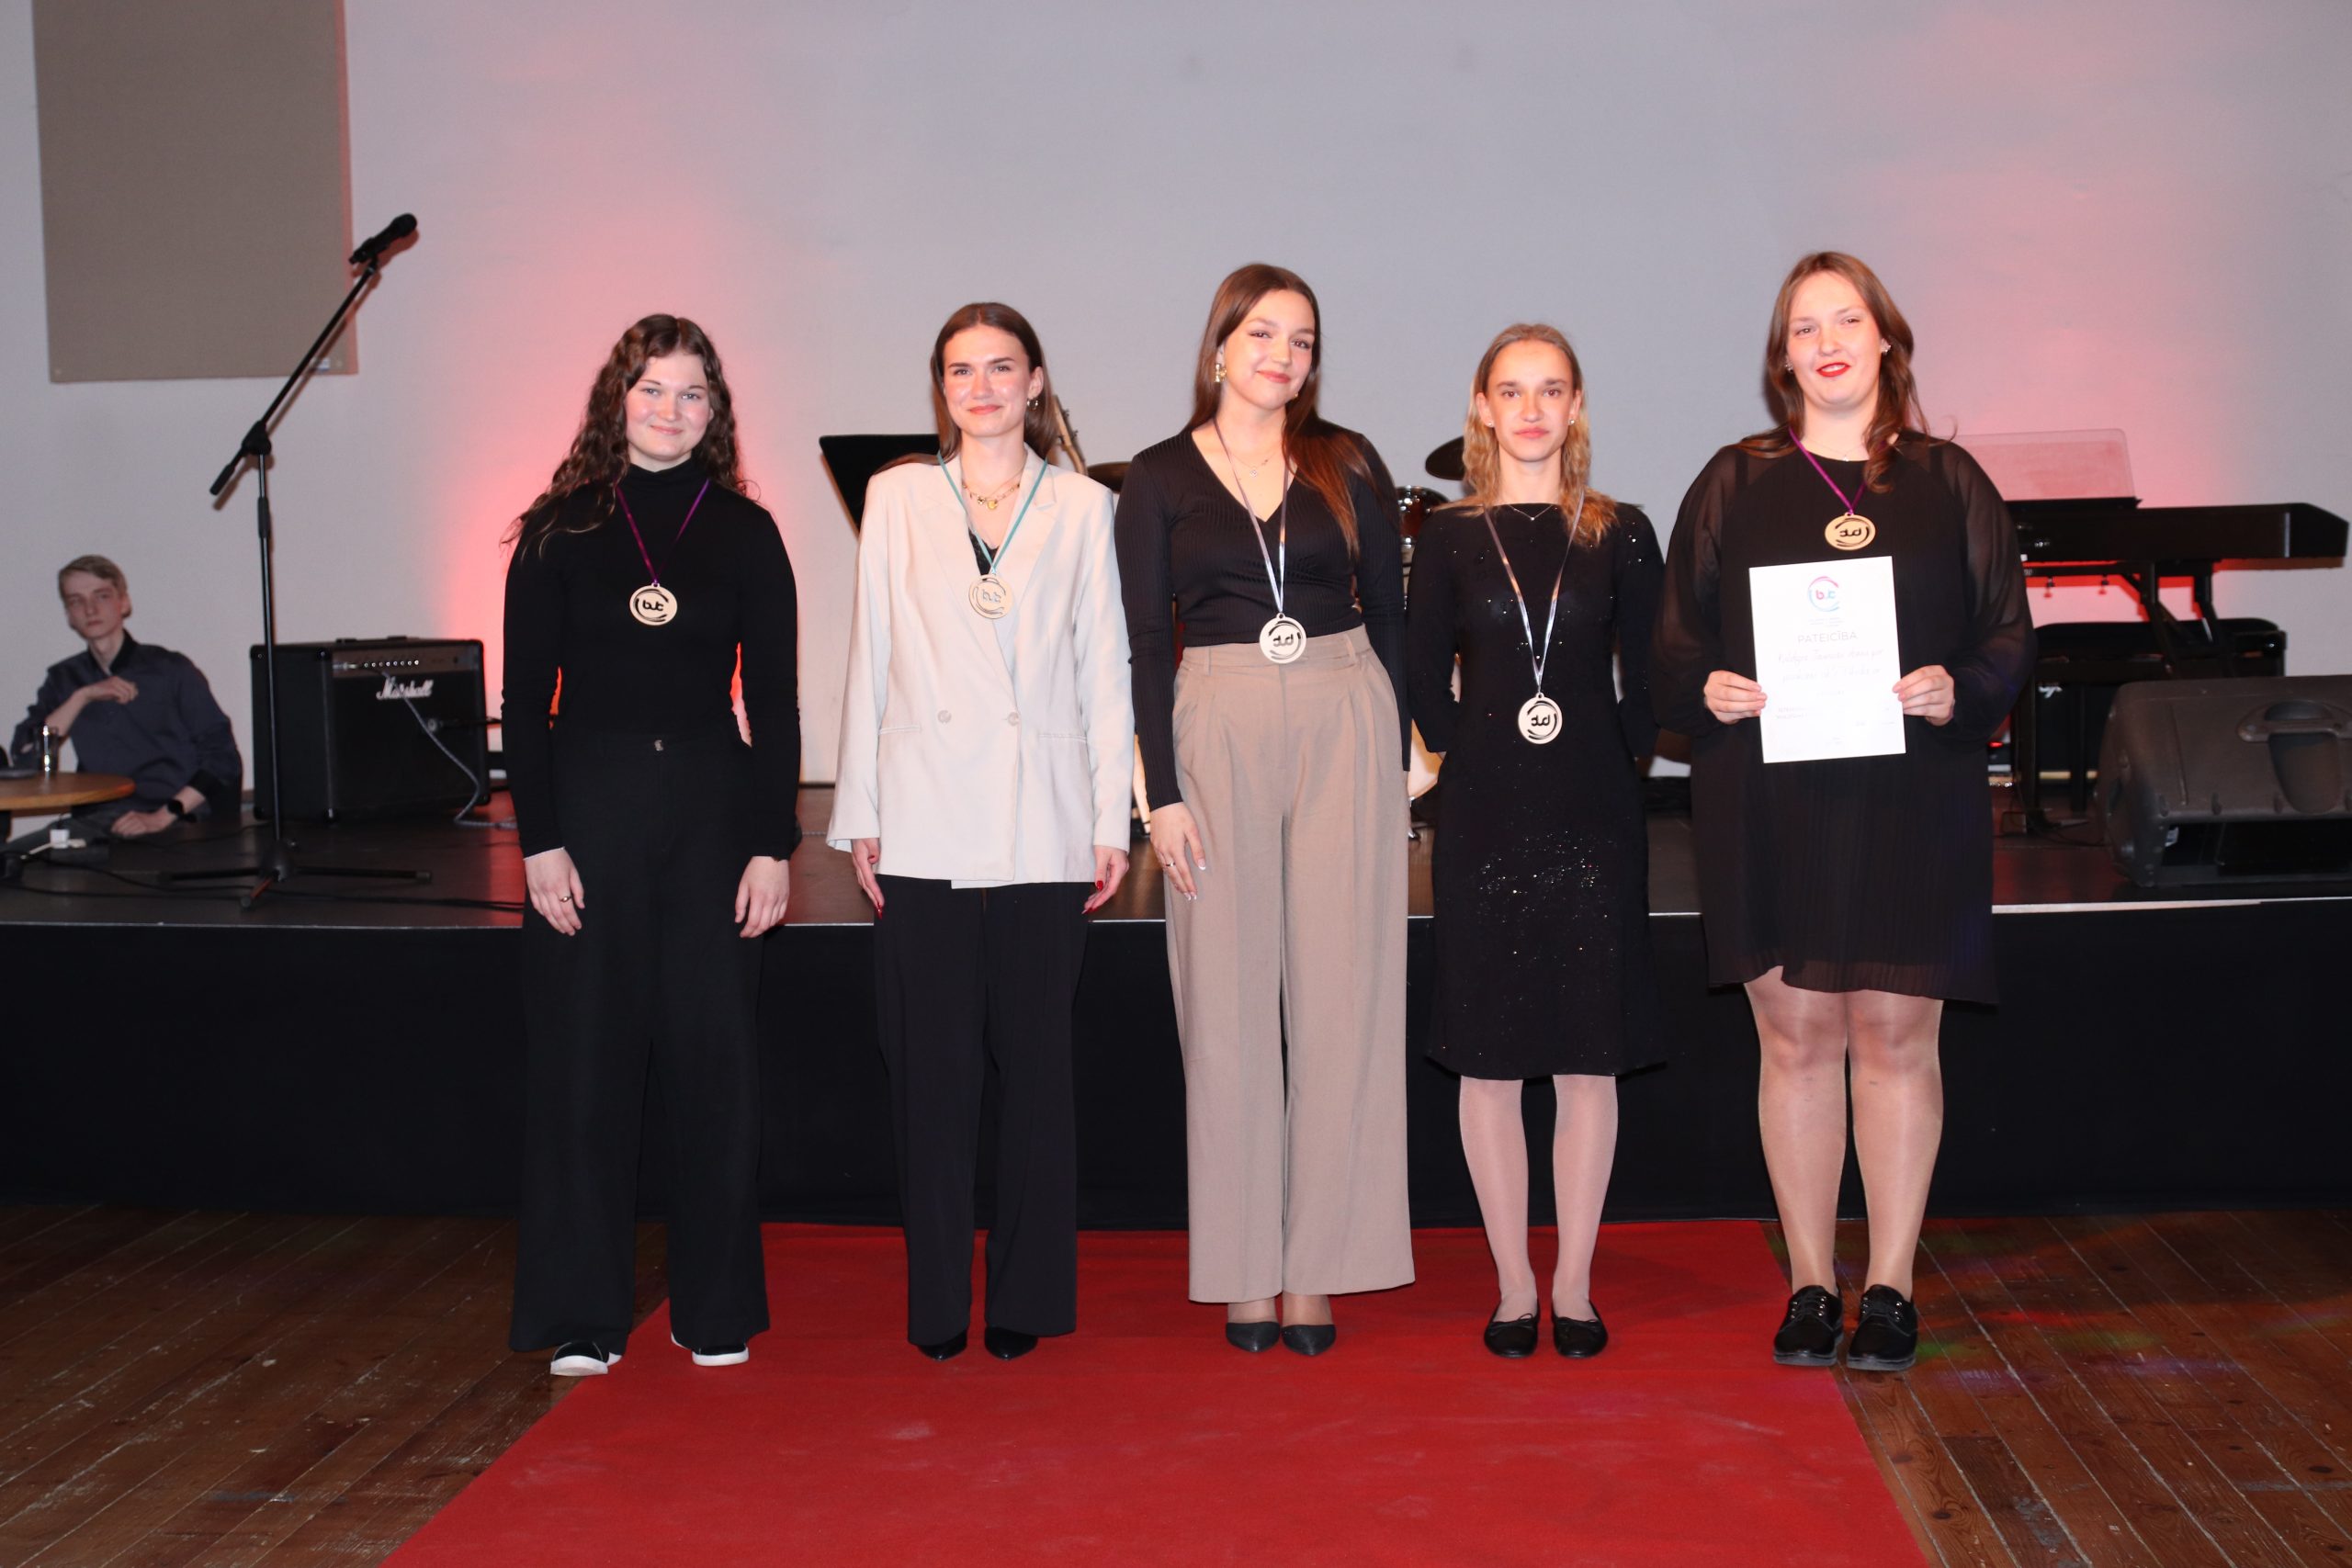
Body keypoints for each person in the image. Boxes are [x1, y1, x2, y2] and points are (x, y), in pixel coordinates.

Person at [1650, 254, 2034, 1372]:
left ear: (1884, 341)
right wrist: (1706, 689)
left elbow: (2007, 631)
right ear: (1783, 357)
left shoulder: (1948, 479)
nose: (1826, 343)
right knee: (1796, 1039)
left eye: (1846, 321)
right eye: (1804, 327)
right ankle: (1812, 1285)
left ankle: (1893, 1285)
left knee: (1897, 1039)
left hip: (1911, 796)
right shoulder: (1735, 480)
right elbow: (1672, 645)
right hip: (1767, 798)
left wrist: (1960, 687)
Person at [1114, 263, 1411, 1356]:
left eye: (1301, 340)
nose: (1282, 355)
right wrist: (1161, 792)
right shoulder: (1156, 476)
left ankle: (1319, 1265)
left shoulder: (1348, 460)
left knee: (1343, 996)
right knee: (1226, 1002)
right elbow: (1144, 642)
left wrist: (1406, 747)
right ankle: (1243, 1265)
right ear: (1219, 346)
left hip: (1343, 709)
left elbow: (1391, 612)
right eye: (1262, 334)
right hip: (1217, 718)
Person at [829, 303, 1133, 1363]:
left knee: (1037, 1073)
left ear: (1036, 381)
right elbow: (870, 650)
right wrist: (859, 811)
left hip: (1045, 818)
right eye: (962, 371)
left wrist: (1108, 818)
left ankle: (1026, 1297)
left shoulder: (1085, 505)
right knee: (931, 1073)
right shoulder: (899, 495)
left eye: (1002, 368)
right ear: (941, 387)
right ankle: (934, 1303)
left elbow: (1104, 668)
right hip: (921, 815)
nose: (983, 388)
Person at [502, 314, 800, 1377]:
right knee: (585, 1066)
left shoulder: (746, 531)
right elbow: (523, 702)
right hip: (590, 811)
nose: (671, 410)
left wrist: (773, 843)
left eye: (691, 393)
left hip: (714, 813)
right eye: (652, 389)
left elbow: (774, 699)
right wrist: (540, 842)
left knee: (715, 1065)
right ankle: (584, 1313)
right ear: (616, 401)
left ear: (714, 412)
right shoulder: (560, 529)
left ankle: (713, 1309)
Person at [1404, 324, 1665, 1359]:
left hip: (1593, 816)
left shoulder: (1622, 531)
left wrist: (1617, 755)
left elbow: (1647, 674)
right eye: (1510, 391)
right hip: (1485, 818)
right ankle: (1514, 1284)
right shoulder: (1449, 537)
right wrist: (1465, 753)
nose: (1529, 410)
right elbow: (1421, 674)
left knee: (1589, 1059)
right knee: (1490, 1060)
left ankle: (1575, 1284)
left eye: (1550, 390)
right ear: (1482, 407)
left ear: (1575, 406)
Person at [11, 555, 242, 835]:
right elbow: (25, 759)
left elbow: (223, 758)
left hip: (172, 820)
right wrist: (82, 697)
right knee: (16, 858)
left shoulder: (170, 669)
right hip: (98, 820)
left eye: (102, 596)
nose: (90, 609)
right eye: (76, 601)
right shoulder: (64, 678)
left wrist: (162, 816)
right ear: (69, 615)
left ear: (124, 603)